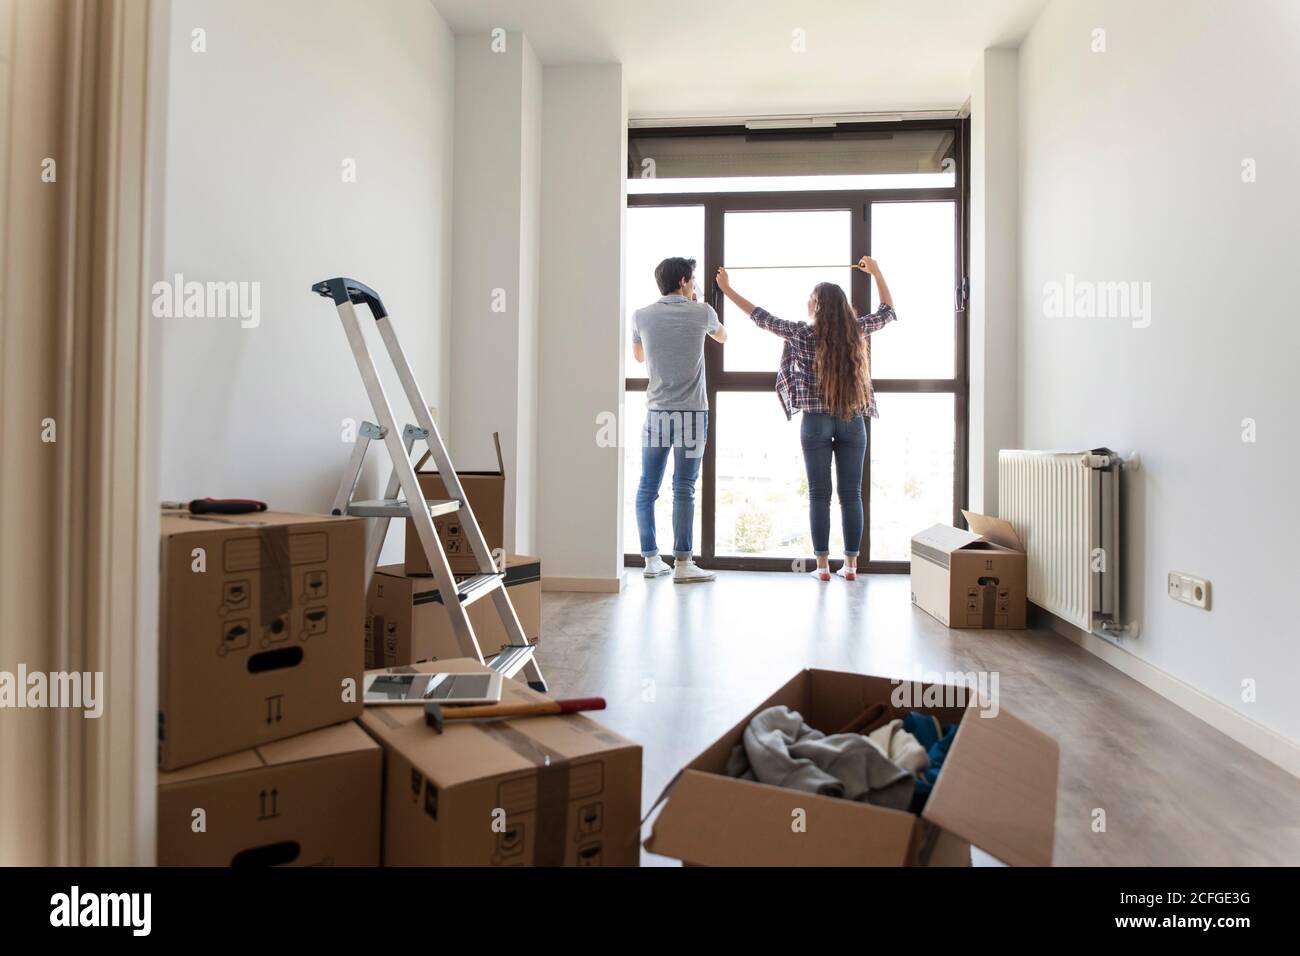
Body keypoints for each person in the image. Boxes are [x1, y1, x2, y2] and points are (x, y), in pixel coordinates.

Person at [714, 257, 895, 582]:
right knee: (851, 494)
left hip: (815, 422)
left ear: (815, 305)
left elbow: (760, 317)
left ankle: (823, 567)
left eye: (809, 299)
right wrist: (877, 272)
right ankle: (851, 567)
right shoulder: (857, 330)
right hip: (852, 420)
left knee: (818, 494)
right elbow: (887, 311)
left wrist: (727, 289)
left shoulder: (800, 333)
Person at [632, 256, 727, 582]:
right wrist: (697, 308)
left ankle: (650, 559)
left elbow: (639, 355)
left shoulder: (641, 315)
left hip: (657, 413)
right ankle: (684, 564)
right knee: (683, 487)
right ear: (685, 280)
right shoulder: (702, 313)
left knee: (648, 487)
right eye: (694, 280)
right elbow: (723, 337)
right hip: (691, 414)